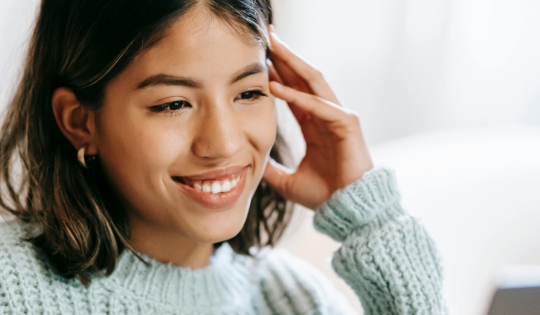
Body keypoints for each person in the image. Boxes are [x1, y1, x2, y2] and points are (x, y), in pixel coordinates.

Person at [0, 0, 449, 314]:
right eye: (173, 103)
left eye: (249, 93)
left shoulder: (292, 300)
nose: (223, 143)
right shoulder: (12, 286)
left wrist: (371, 218)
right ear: (80, 121)